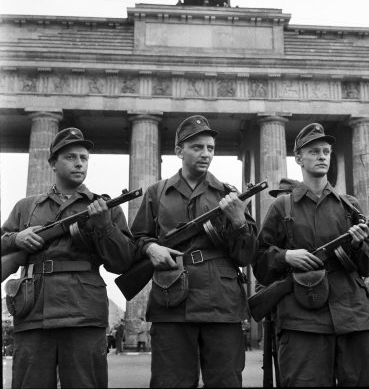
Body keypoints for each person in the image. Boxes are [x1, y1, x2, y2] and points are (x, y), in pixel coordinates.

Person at [1, 127, 135, 388]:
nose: (79, 163)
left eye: (84, 158)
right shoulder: (26, 207)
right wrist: (17, 238)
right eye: (70, 157)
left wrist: (105, 226)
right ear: (52, 163)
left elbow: (123, 263)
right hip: (33, 311)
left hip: (83, 313)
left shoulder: (103, 206)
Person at [131, 115, 257, 388]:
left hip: (221, 304)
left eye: (210, 148)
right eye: (197, 147)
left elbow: (246, 256)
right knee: (170, 382)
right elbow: (136, 239)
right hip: (172, 301)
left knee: (226, 381)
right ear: (179, 151)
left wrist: (238, 221)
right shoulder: (157, 193)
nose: (205, 154)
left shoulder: (229, 194)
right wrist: (150, 247)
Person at [253, 123, 369, 387]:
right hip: (302, 321)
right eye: (313, 151)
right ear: (299, 158)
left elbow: (367, 266)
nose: (322, 156)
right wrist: (286, 257)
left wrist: (359, 245)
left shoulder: (350, 205)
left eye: (326, 151)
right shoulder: (282, 206)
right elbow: (259, 261)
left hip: (352, 316)